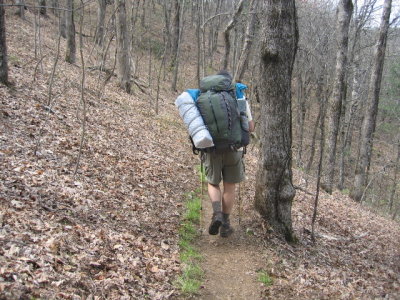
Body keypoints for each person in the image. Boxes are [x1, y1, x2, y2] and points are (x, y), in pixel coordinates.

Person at [203, 70, 255, 237]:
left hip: (212, 149)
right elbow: (250, 127)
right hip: (234, 149)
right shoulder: (239, 97)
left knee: (213, 183)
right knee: (230, 186)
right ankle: (225, 223)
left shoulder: (206, 98)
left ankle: (216, 212)